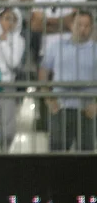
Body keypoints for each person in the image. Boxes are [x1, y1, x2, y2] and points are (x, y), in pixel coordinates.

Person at [39, 10, 97, 151]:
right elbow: (43, 73)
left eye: (86, 25)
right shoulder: (56, 47)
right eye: (79, 25)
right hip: (60, 108)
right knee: (57, 157)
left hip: (87, 110)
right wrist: (48, 98)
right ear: (71, 25)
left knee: (85, 158)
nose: (83, 29)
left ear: (92, 27)